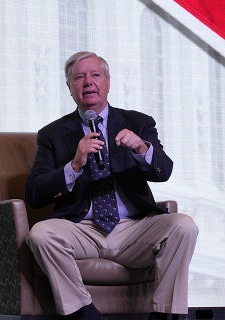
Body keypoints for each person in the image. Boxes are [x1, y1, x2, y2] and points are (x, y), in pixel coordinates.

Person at [25, 51, 198, 320]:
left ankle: (166, 314)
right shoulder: (53, 134)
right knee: (41, 234)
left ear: (108, 82)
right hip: (82, 228)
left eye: (95, 75)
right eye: (79, 77)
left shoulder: (138, 122)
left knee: (184, 226)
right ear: (69, 88)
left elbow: (164, 171)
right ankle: (82, 311)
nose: (88, 82)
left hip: (133, 230)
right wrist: (74, 165)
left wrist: (142, 148)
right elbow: (34, 194)